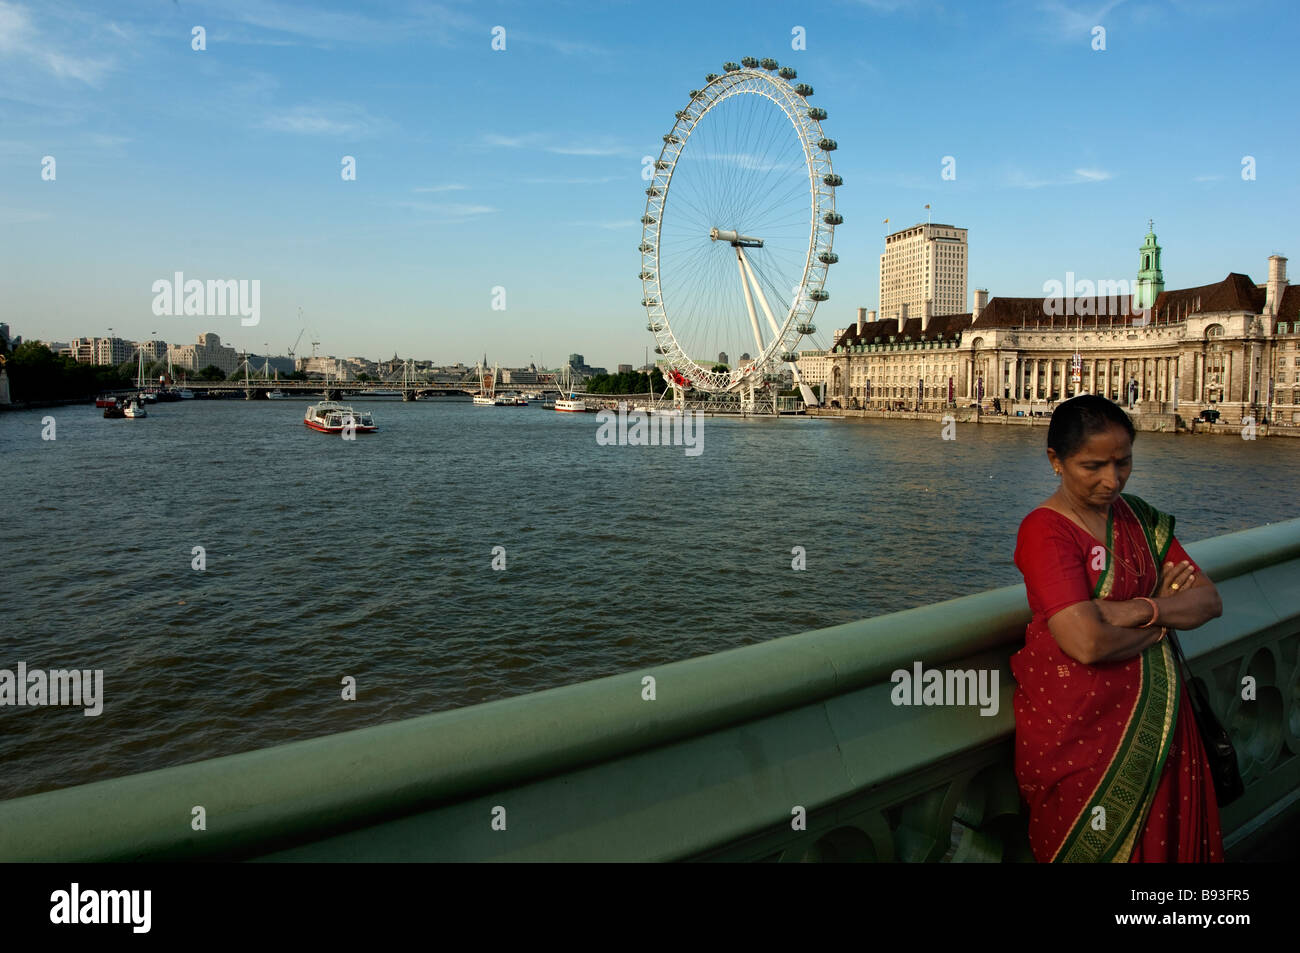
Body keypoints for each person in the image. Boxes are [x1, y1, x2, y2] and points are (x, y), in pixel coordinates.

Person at [1011, 394, 1225, 862]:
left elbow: (1208, 600)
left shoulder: (1140, 518)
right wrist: (1164, 616)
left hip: (1160, 723)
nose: (1113, 480)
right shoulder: (1045, 532)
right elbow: (1086, 643)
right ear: (1056, 461)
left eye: (1123, 462)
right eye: (1093, 466)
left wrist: (1136, 610)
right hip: (1079, 737)